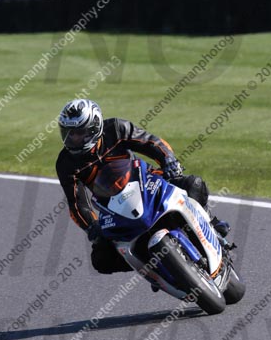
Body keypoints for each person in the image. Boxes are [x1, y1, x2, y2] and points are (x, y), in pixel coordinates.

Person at [55, 98, 229, 275]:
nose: (72, 138)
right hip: (113, 208)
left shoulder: (116, 129)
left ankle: (211, 225)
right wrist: (91, 226)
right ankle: (154, 267)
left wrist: (168, 161)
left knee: (193, 184)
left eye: (78, 132)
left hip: (147, 183)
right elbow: (77, 204)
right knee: (101, 260)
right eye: (68, 133)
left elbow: (151, 142)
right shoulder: (65, 163)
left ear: (94, 128)